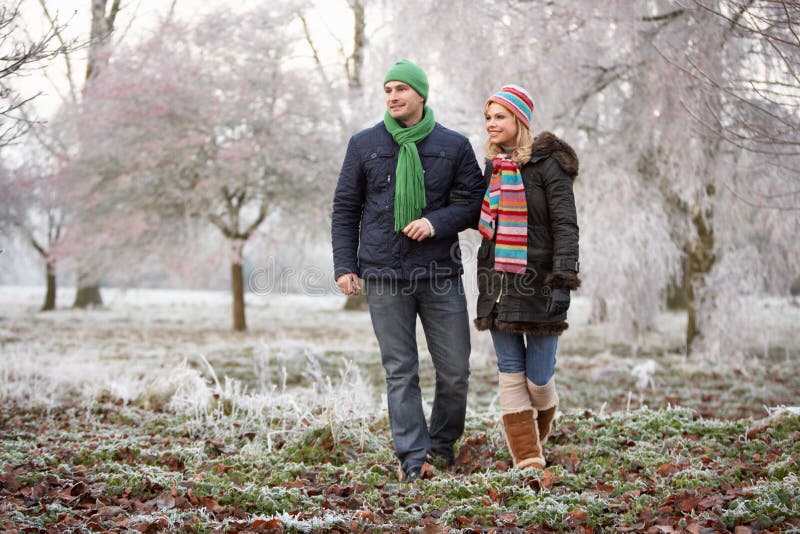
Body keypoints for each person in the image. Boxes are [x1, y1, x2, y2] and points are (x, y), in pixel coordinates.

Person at [331, 59, 485, 481]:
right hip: (383, 275)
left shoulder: (454, 145)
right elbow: (346, 207)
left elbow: (474, 203)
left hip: (439, 274)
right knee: (401, 371)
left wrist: (438, 221)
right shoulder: (364, 144)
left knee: (455, 371)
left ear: (420, 94)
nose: (393, 96)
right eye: (388, 90)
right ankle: (414, 460)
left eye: (401, 89)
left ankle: (441, 447)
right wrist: (345, 265)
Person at [474, 85, 580, 469]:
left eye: (499, 116)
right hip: (498, 284)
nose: (491, 124)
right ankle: (528, 457)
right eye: (488, 117)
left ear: (519, 120)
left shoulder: (549, 167)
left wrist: (563, 281)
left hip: (538, 284)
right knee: (510, 373)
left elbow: (566, 226)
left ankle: (538, 432)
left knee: (537, 378)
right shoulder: (493, 168)